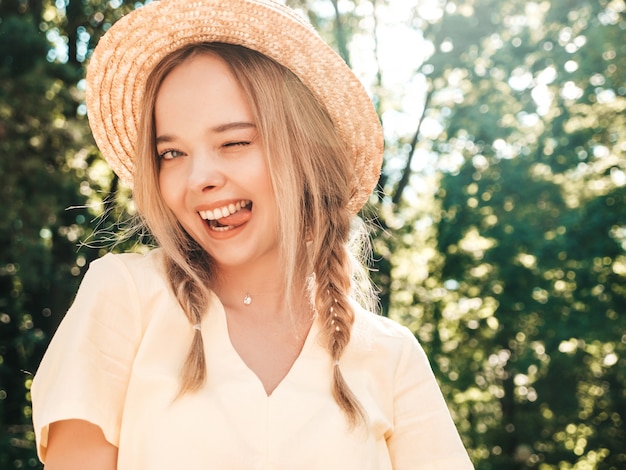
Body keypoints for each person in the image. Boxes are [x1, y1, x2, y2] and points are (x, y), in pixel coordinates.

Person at [31, 0, 474, 468]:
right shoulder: (126, 296)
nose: (199, 177)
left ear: (305, 152)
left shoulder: (391, 356)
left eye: (235, 142)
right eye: (172, 154)